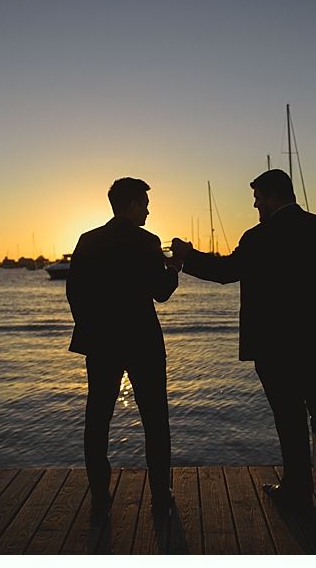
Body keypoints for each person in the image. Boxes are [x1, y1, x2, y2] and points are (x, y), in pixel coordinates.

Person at [171, 169, 316, 508]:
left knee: (288, 416)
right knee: (314, 406)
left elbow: (225, 273)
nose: (256, 205)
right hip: (314, 339)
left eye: (258, 199)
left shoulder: (259, 237)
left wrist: (187, 256)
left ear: (273, 196)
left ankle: (298, 490)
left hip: (274, 344)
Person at [66, 177, 181, 519]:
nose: (147, 210)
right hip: (142, 342)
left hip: (100, 343)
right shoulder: (147, 241)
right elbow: (160, 291)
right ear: (131, 205)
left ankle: (100, 497)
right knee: (155, 420)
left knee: (97, 420)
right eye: (144, 204)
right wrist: (175, 266)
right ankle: (160, 496)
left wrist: (91, 328)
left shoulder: (88, 241)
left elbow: (74, 292)